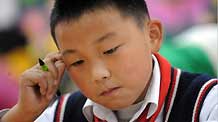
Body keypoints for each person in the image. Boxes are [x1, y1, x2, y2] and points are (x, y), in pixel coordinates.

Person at [1, 0, 217, 122]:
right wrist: (24, 112)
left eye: (110, 50)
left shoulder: (206, 104)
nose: (98, 74)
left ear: (152, 35)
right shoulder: (63, 114)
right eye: (77, 62)